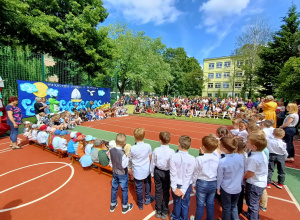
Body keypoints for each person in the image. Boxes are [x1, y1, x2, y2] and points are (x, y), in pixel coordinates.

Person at [190, 135, 219, 220]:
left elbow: (196, 172)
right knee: (210, 204)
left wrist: (193, 183)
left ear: (203, 147)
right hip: (213, 182)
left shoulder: (199, 159)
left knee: (200, 204)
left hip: (202, 183)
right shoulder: (217, 159)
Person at [217, 137, 244, 220]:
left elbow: (220, 176)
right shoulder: (240, 157)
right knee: (234, 206)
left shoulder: (222, 161)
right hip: (237, 187)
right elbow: (241, 170)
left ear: (224, 148)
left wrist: (218, 188)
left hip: (227, 188)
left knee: (226, 207)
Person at [150, 131, 175, 219]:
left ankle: (159, 210)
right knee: (166, 192)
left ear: (160, 140)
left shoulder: (156, 150)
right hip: (167, 173)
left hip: (158, 172)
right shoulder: (172, 151)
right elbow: (173, 165)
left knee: (158, 191)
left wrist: (152, 172)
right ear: (169, 140)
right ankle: (164, 211)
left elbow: (153, 162)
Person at [170, 135, 195, 220]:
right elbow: (188, 176)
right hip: (186, 185)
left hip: (176, 184)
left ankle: (176, 217)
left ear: (178, 144)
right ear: (190, 146)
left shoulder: (173, 156)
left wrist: (174, 189)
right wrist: (183, 190)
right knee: (185, 204)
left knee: (177, 203)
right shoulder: (192, 159)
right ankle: (184, 218)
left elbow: (173, 174)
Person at [244, 133, 268, 220]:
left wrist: (242, 177)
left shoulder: (253, 159)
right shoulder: (261, 154)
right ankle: (251, 215)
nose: (246, 143)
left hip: (254, 183)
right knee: (254, 202)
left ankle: (253, 218)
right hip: (260, 182)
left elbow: (250, 173)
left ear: (253, 146)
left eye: (248, 142)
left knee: (252, 203)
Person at [129, 128, 154, 210]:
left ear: (134, 137)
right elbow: (150, 157)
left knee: (139, 188)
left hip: (137, 171)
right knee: (147, 183)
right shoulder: (148, 146)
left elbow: (130, 157)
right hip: (146, 169)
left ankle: (140, 204)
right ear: (144, 136)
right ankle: (147, 198)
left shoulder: (132, 148)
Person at [110, 133, 133, 214]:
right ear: (124, 143)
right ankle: (125, 207)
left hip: (115, 172)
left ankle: (112, 204)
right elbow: (124, 165)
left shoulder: (111, 150)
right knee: (124, 190)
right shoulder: (122, 153)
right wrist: (128, 157)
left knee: (114, 188)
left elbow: (112, 160)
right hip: (122, 174)